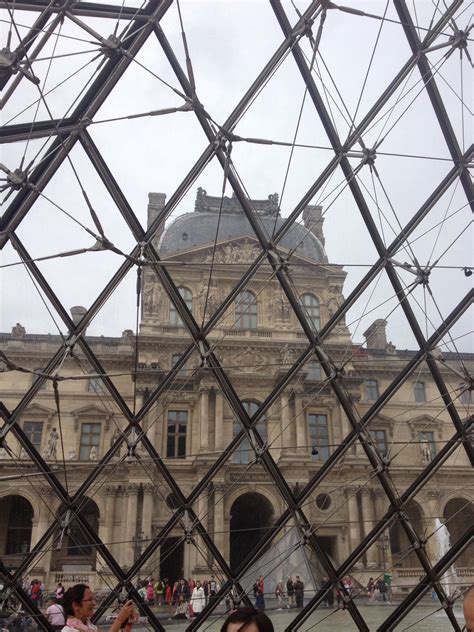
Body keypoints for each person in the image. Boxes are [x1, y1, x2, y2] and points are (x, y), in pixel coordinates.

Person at [61, 584, 136, 632]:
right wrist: (120, 619)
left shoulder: (90, 627)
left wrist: (129, 623)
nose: (94, 603)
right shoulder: (68, 630)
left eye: (93, 599)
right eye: (90, 599)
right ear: (75, 605)